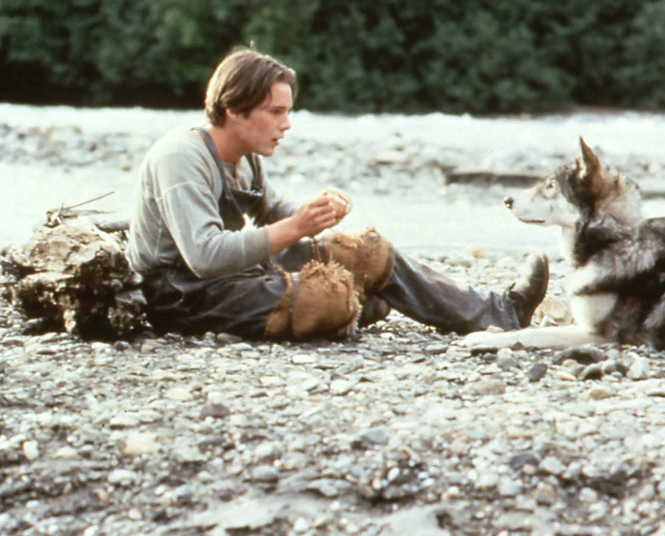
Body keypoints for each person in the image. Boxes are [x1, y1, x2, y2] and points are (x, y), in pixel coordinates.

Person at [126, 47, 549, 341]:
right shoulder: (180, 157)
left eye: (287, 111)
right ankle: (358, 305)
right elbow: (203, 256)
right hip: (181, 295)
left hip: (231, 276)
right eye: (276, 112)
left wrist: (317, 213)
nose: (287, 124)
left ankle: (500, 312)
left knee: (369, 252)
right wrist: (294, 228)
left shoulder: (244, 154)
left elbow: (272, 209)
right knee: (329, 297)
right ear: (234, 110)